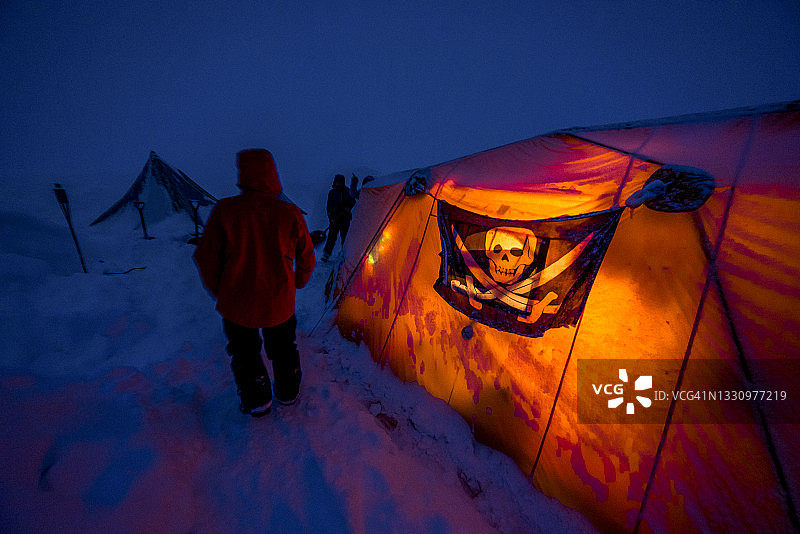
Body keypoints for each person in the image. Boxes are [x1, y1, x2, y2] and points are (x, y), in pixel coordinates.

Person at [193, 149, 316, 417]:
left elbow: (205, 256)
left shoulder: (225, 211)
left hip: (237, 302)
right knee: (283, 348)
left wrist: (220, 291)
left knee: (245, 353)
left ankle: (257, 398)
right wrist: (299, 281)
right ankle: (287, 391)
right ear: (273, 173)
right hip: (278, 301)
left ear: (243, 174)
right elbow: (306, 256)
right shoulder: (289, 213)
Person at [321, 174, 358, 261]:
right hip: (334, 219)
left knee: (345, 238)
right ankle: (326, 254)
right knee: (331, 237)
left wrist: (348, 207)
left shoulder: (347, 191)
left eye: (340, 182)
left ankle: (345, 255)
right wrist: (331, 218)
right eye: (337, 182)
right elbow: (329, 206)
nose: (339, 184)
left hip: (345, 219)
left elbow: (353, 201)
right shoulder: (332, 193)